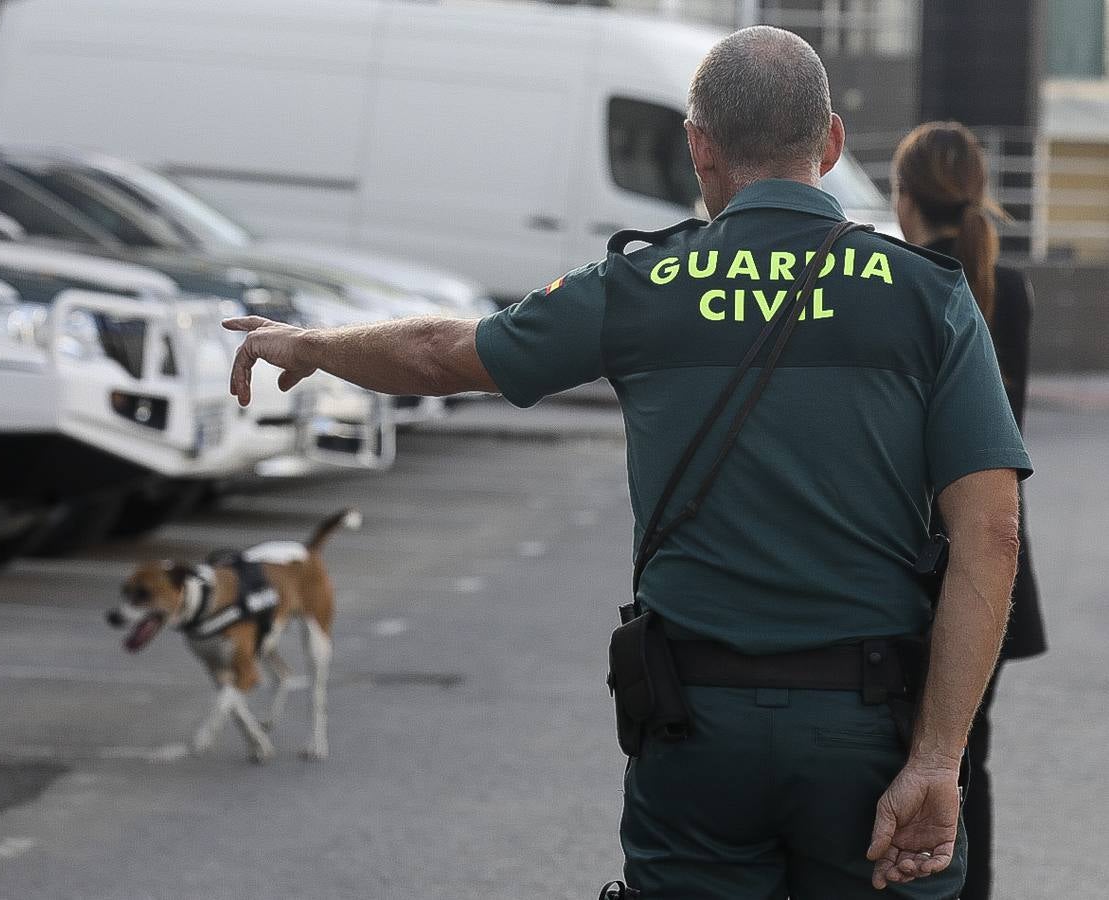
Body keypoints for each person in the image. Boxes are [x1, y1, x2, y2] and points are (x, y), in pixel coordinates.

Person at [224, 26, 1030, 899]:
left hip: (695, 729)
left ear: (698, 147)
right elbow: (989, 535)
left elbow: (436, 352)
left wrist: (308, 343)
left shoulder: (643, 286)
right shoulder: (927, 296)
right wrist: (938, 758)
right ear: (831, 143)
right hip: (868, 729)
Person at [892, 121, 1048, 900]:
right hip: (988, 553)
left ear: (901, 194)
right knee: (962, 757)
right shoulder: (1007, 285)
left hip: (900, 555)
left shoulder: (900, 283)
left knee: (893, 751)